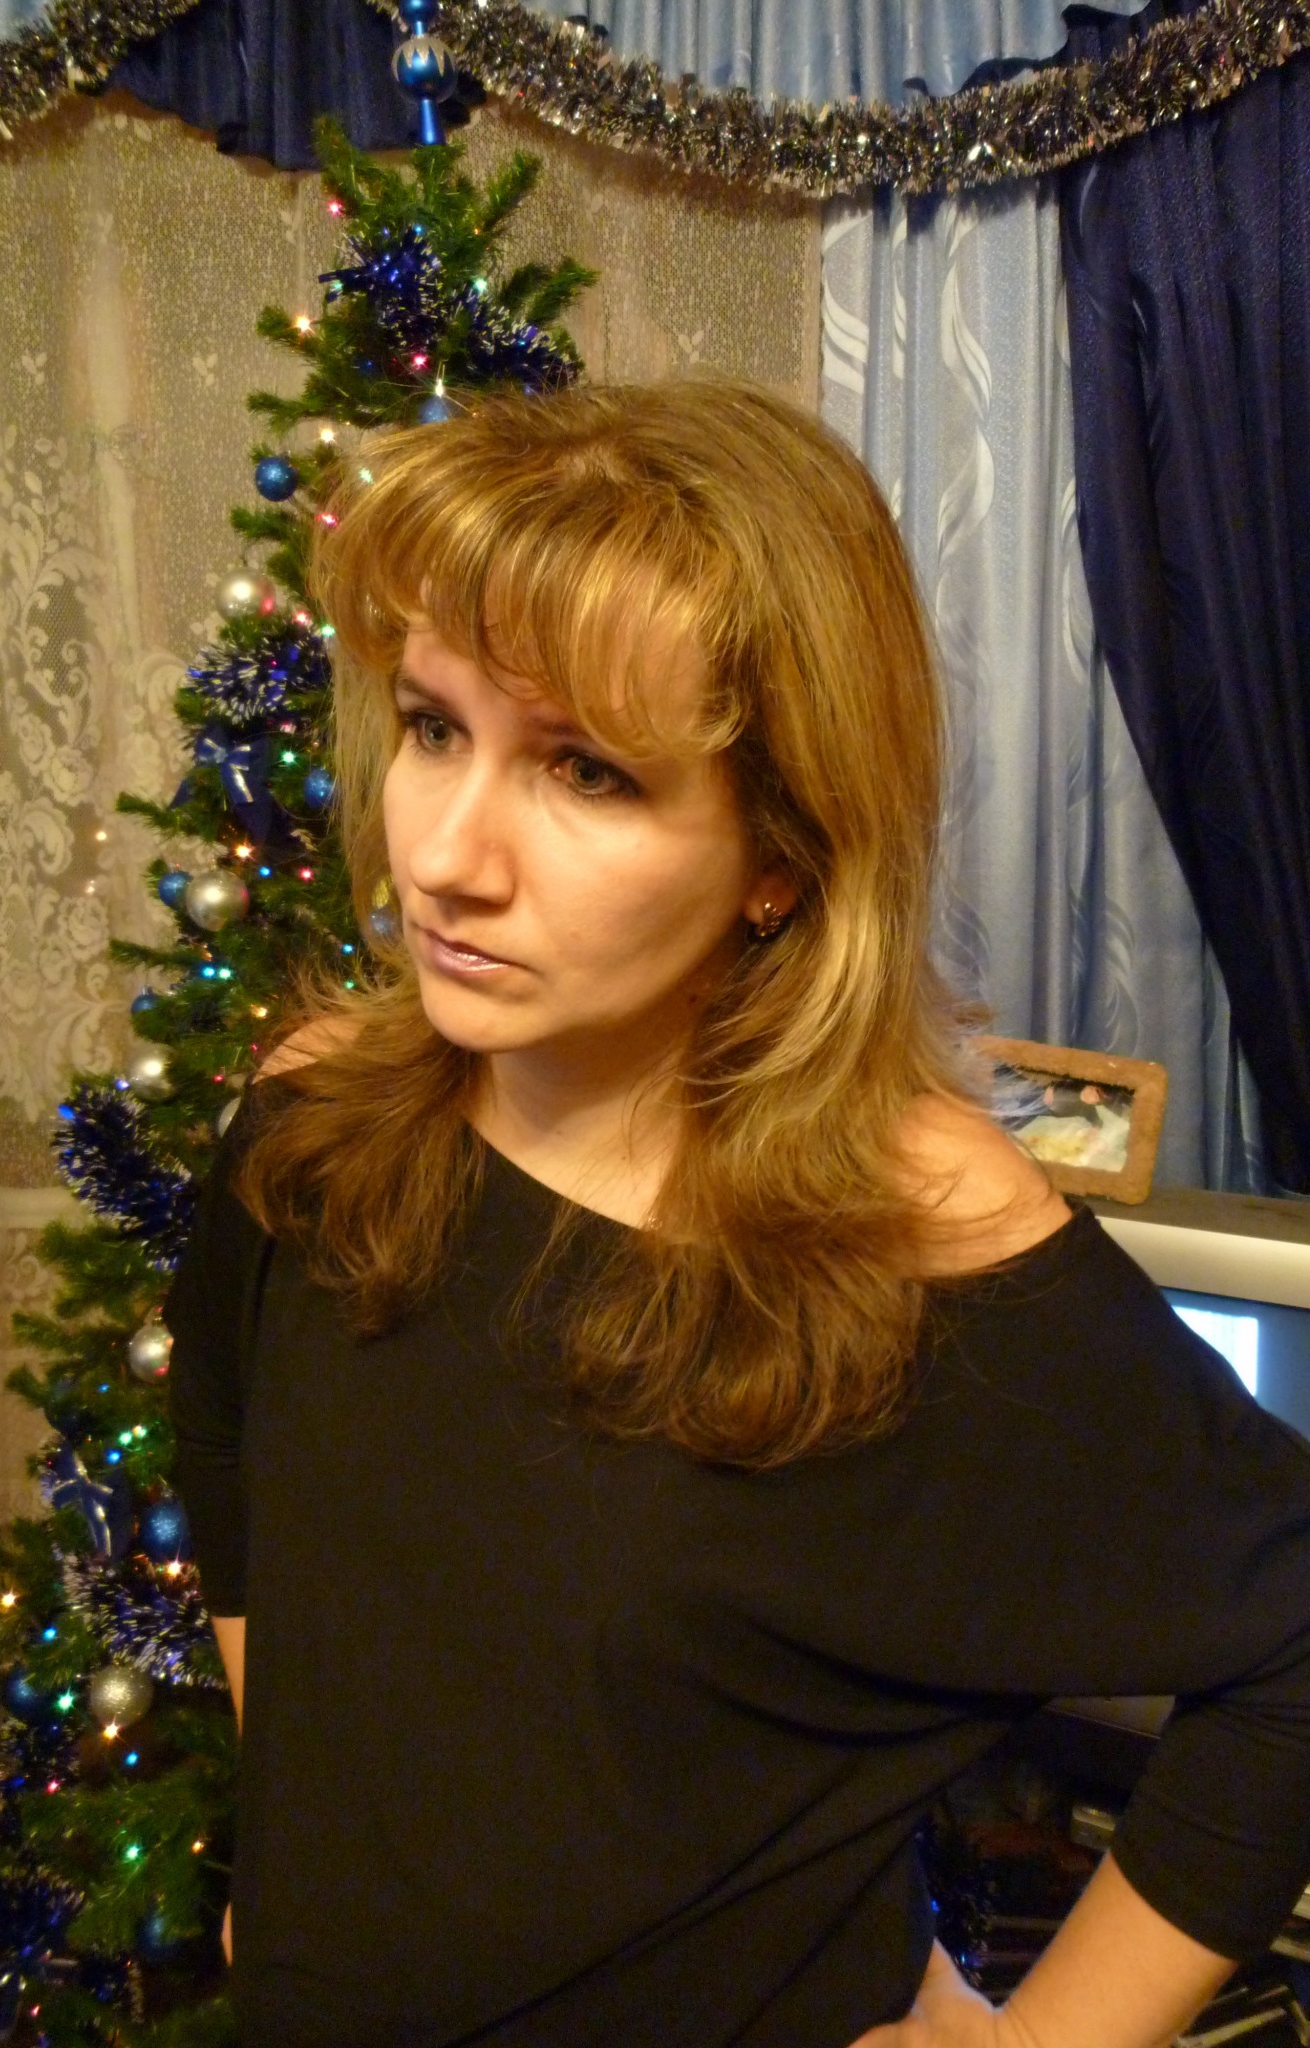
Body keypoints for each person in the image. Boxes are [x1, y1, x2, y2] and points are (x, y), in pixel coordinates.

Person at [165, 379, 1310, 2048]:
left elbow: (1291, 1640)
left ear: (780, 851)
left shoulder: (919, 1246)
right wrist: (310, 1845)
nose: (447, 858)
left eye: (586, 770)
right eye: (432, 728)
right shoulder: (315, 1129)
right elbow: (229, 1452)